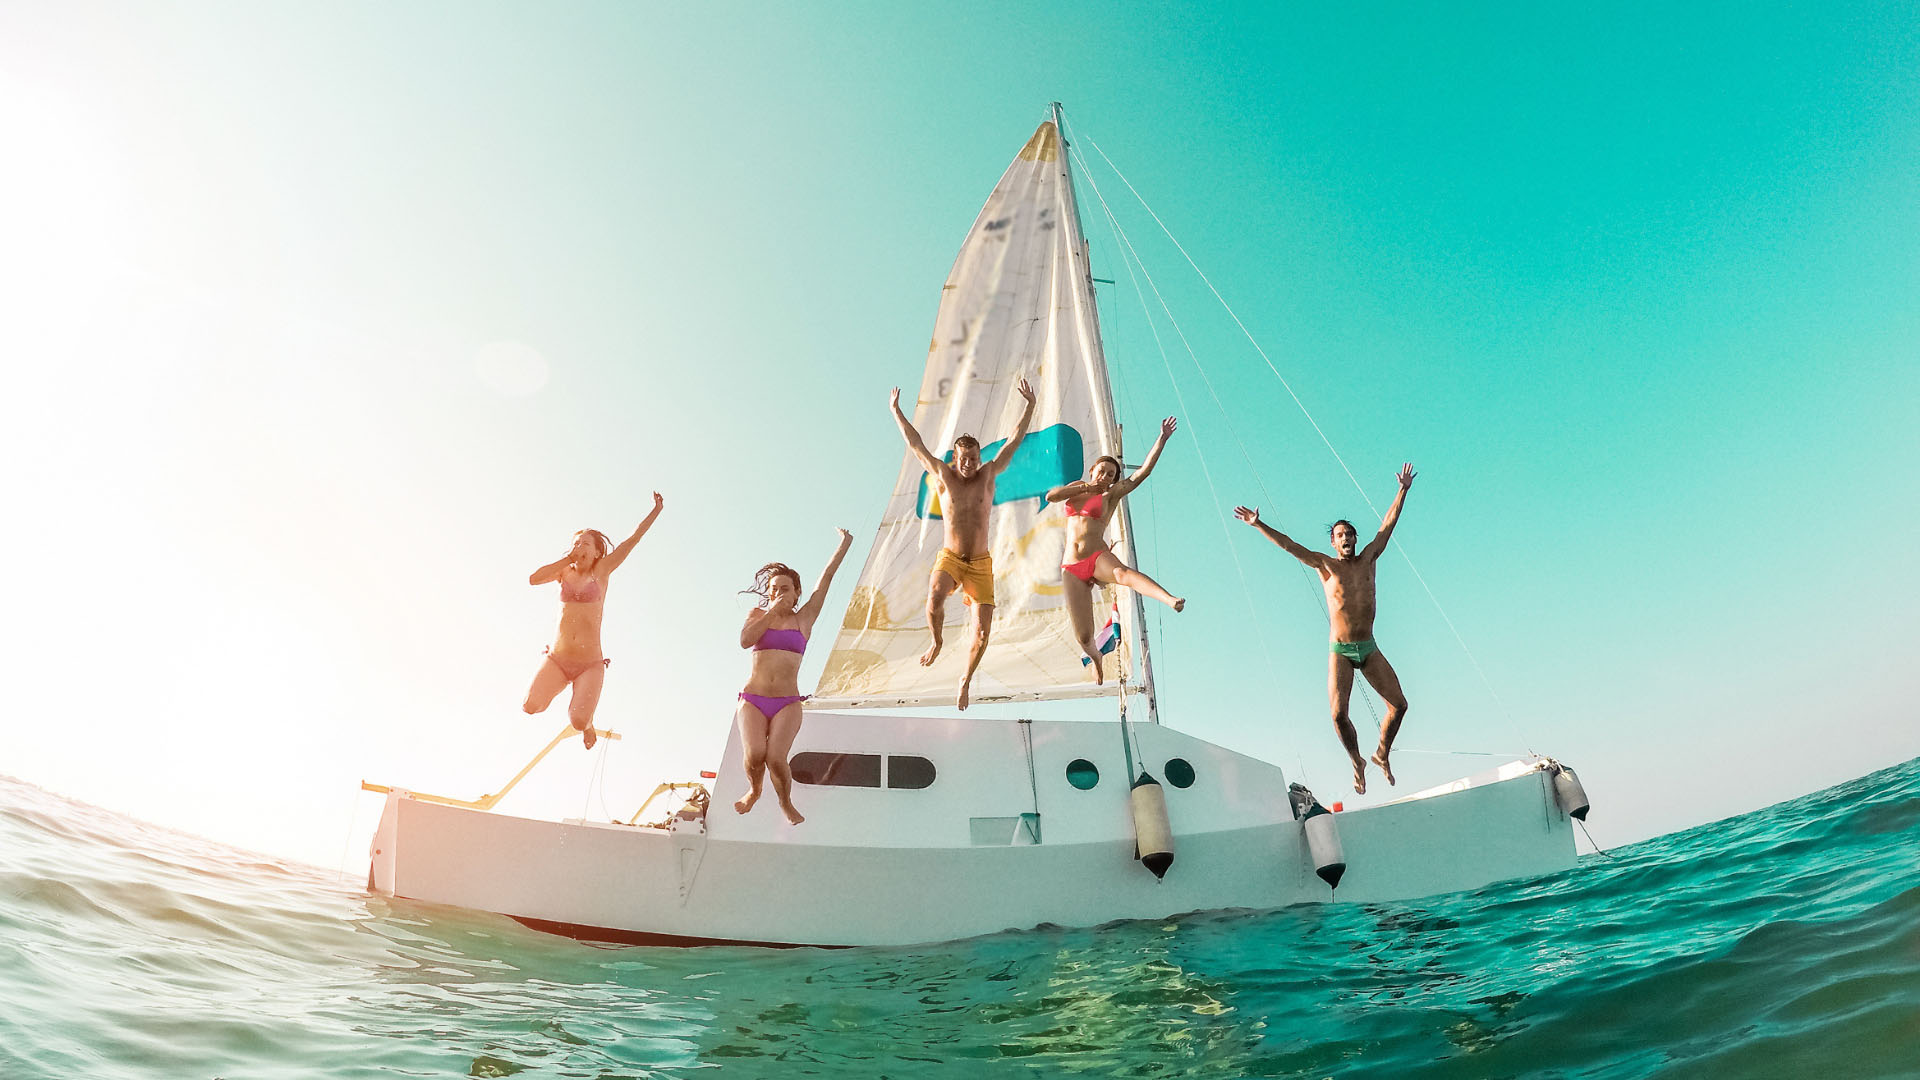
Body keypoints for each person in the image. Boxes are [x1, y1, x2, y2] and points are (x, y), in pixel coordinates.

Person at [1235, 463, 1416, 794]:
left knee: (1400, 705)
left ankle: (1381, 754)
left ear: (1356, 539)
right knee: (1337, 715)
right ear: (1333, 542)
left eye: (1349, 534)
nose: (1346, 538)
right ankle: (1356, 760)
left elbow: (1388, 526)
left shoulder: (1369, 558)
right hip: (1342, 650)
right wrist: (1258, 523)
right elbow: (1290, 546)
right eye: (1340, 535)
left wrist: (1402, 490)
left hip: (1369, 647)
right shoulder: (1325, 565)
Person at [889, 379, 1037, 710]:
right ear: (955, 458)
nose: (969, 463)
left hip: (981, 564)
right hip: (952, 558)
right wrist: (897, 411)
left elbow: (1014, 442)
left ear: (978, 456)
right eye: (964, 458)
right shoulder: (944, 475)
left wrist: (1029, 406)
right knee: (935, 594)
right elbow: (917, 446)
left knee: (982, 634)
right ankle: (937, 641)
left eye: (974, 457)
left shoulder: (988, 474)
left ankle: (965, 679)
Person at [1045, 417, 1186, 681]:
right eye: (1102, 471)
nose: (1106, 476)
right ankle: (1096, 656)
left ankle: (1169, 599)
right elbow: (1051, 497)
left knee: (1122, 573)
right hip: (1072, 567)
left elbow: (1142, 473)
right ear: (1092, 471)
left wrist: (1162, 439)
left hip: (1096, 556)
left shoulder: (1110, 496)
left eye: (1111, 474)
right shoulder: (1077, 488)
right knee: (1084, 636)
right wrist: (1087, 487)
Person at [734, 528, 855, 825]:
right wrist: (770, 613)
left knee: (776, 757)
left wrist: (844, 544)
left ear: (797, 593)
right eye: (773, 589)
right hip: (753, 699)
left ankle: (785, 803)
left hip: (786, 701)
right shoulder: (756, 615)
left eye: (784, 589)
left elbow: (826, 579)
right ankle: (754, 789)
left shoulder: (804, 618)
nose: (777, 593)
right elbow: (745, 640)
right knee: (755, 755)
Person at [524, 493, 665, 749]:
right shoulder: (563, 571)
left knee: (578, 721)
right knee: (530, 706)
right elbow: (534, 579)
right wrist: (568, 558)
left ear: (598, 551)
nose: (580, 547)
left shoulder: (602, 570)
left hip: (589, 663)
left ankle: (588, 724)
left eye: (586, 544)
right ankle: (568, 694)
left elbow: (632, 540)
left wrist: (656, 510)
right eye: (576, 543)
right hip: (558, 658)